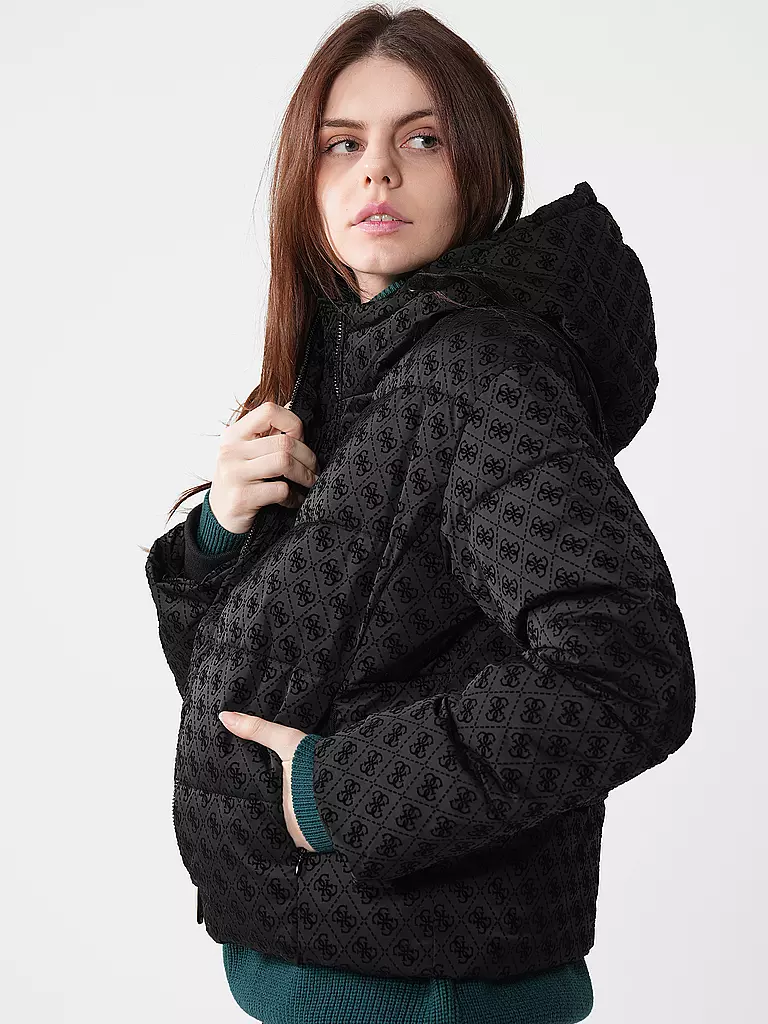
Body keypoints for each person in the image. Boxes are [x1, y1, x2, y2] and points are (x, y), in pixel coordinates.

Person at [144, 6, 696, 1022]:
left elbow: (626, 672)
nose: (379, 173)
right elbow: (270, 685)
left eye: (423, 139)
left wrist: (335, 792)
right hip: (331, 968)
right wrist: (220, 535)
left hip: (420, 989)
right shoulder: (349, 375)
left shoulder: (482, 375)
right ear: (303, 180)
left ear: (479, 168)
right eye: (342, 144)